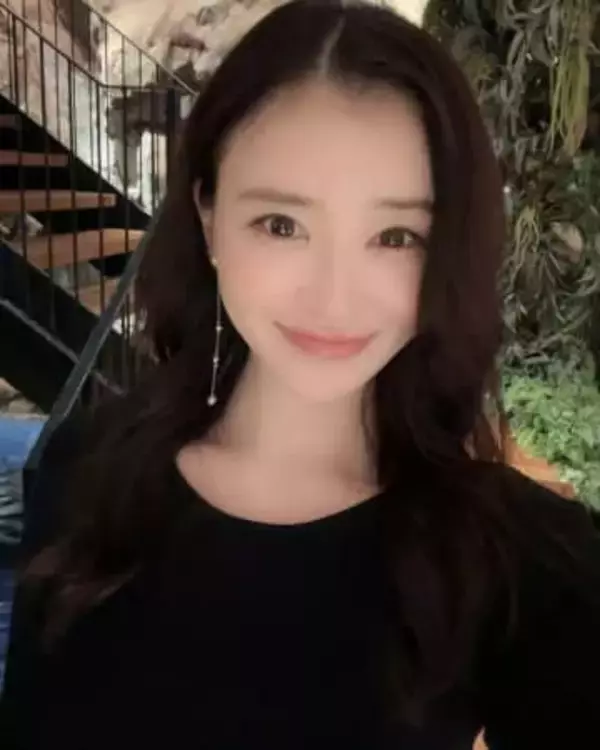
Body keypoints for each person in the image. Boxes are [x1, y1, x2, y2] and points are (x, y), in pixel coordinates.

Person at [1, 1, 600, 748]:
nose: (333, 297)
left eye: (395, 236)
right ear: (209, 217)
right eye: (282, 225)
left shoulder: (516, 561)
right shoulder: (84, 473)